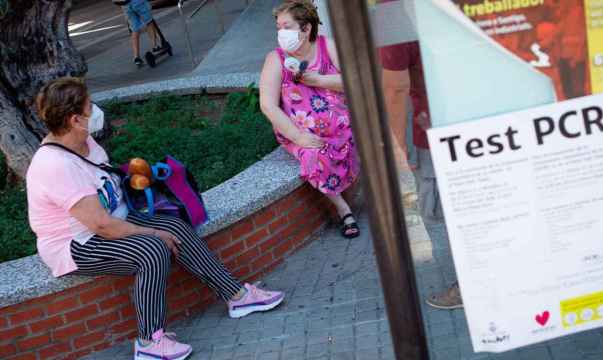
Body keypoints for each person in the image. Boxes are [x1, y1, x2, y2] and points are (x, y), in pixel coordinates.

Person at [26, 77, 285, 360]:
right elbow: (100, 224)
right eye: (90, 106)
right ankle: (149, 342)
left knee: (176, 226)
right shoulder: (55, 165)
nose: (96, 110)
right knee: (152, 251)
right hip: (78, 243)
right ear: (75, 119)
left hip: (113, 219)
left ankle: (236, 296)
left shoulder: (83, 140)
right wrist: (152, 234)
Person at [259, 0, 361, 238]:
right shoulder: (276, 60)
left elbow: (355, 80)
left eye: (286, 26)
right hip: (303, 133)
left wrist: (319, 80)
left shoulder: (328, 47)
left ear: (306, 29)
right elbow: (268, 105)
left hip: (343, 124)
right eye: (278, 28)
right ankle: (343, 210)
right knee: (315, 156)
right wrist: (299, 137)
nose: (280, 33)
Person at [379, 39, 461, 310]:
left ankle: (469, 286)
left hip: (436, 127)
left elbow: (396, 86)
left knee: (449, 210)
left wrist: (397, 145)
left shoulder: (394, 13)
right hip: (477, 115)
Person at [122, 0, 161, 66]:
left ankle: (136, 56)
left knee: (135, 29)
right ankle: (155, 46)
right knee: (149, 22)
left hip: (125, 5)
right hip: (138, 2)